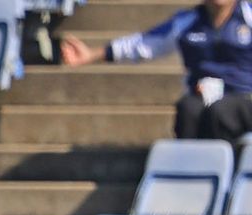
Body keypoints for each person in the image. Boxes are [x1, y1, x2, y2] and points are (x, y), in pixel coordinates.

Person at [62, 1, 252, 141]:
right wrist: (92, 54)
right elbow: (143, 44)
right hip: (202, 97)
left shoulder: (248, 15)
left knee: (221, 112)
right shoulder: (186, 21)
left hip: (244, 99)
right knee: (188, 109)